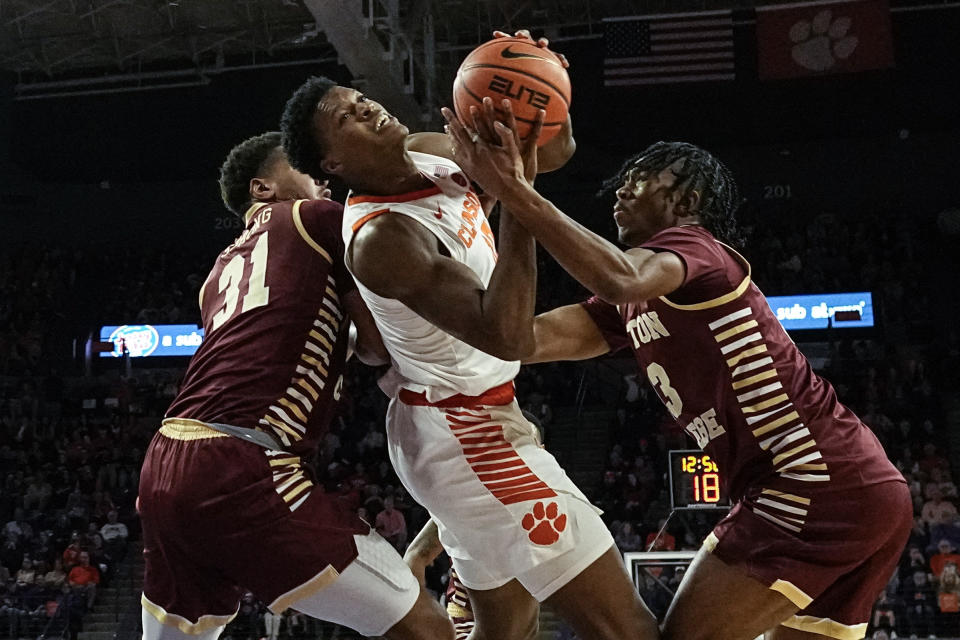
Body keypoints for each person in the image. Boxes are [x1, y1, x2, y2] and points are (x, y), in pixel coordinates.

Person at [445, 124, 911, 640]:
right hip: (858, 488)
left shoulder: (697, 249)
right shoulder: (625, 304)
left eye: (640, 180)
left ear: (686, 200)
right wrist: (423, 316)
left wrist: (517, 190)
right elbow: (519, 341)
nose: (621, 189)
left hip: (810, 482)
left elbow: (620, 275)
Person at [280, 34, 659, 640]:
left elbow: (555, 150)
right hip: (464, 432)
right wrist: (515, 196)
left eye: (358, 97)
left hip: (452, 425)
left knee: (507, 629)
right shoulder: (383, 240)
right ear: (333, 165)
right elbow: (506, 335)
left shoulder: (429, 151)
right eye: (346, 117)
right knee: (628, 630)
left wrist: (546, 89)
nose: (366, 107)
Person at [138, 132, 454, 640]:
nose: (321, 178)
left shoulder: (215, 277)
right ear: (263, 188)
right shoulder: (315, 218)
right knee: (427, 629)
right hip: (243, 466)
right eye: (304, 168)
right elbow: (375, 347)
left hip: (165, 461)